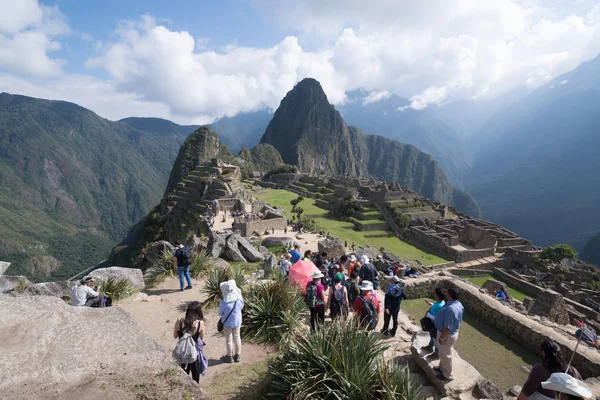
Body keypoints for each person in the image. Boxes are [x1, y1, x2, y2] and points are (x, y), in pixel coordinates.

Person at [517, 339, 582, 400]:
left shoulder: (539, 369)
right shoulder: (573, 370)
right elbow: (579, 390)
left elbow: (526, 391)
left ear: (544, 353)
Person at [433, 287, 464, 381]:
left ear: (450, 296)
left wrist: (442, 337)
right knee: (444, 353)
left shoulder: (451, 309)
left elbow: (448, 326)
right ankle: (442, 368)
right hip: (450, 333)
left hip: (446, 334)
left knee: (445, 355)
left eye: (447, 293)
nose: (445, 294)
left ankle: (448, 375)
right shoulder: (458, 304)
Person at [173, 301, 207, 382]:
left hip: (183, 352)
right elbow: (202, 337)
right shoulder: (200, 323)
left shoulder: (180, 321)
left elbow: (175, 336)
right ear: (199, 311)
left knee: (184, 376)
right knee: (195, 376)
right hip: (194, 353)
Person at [218, 279, 245, 363]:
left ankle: (229, 357)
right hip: (237, 321)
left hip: (227, 323)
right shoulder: (239, 300)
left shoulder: (223, 302)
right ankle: (238, 355)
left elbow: (220, 313)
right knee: (237, 337)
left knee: (229, 339)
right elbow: (242, 307)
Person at [421, 288, 446, 357]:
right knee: (432, 336)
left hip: (436, 325)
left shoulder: (440, 306)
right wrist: (431, 304)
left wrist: (428, 314)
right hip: (432, 324)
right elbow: (435, 305)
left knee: (435, 339)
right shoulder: (440, 302)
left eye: (435, 294)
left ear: (437, 296)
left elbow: (438, 318)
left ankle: (437, 353)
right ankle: (430, 346)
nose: (434, 294)